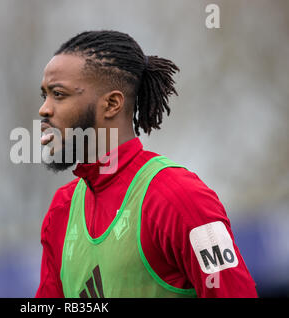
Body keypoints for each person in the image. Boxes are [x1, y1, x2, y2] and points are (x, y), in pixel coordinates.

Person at [36, 30, 257, 298]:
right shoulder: (61, 210)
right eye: (44, 95)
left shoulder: (178, 197)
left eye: (58, 94)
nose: (44, 110)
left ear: (112, 104)